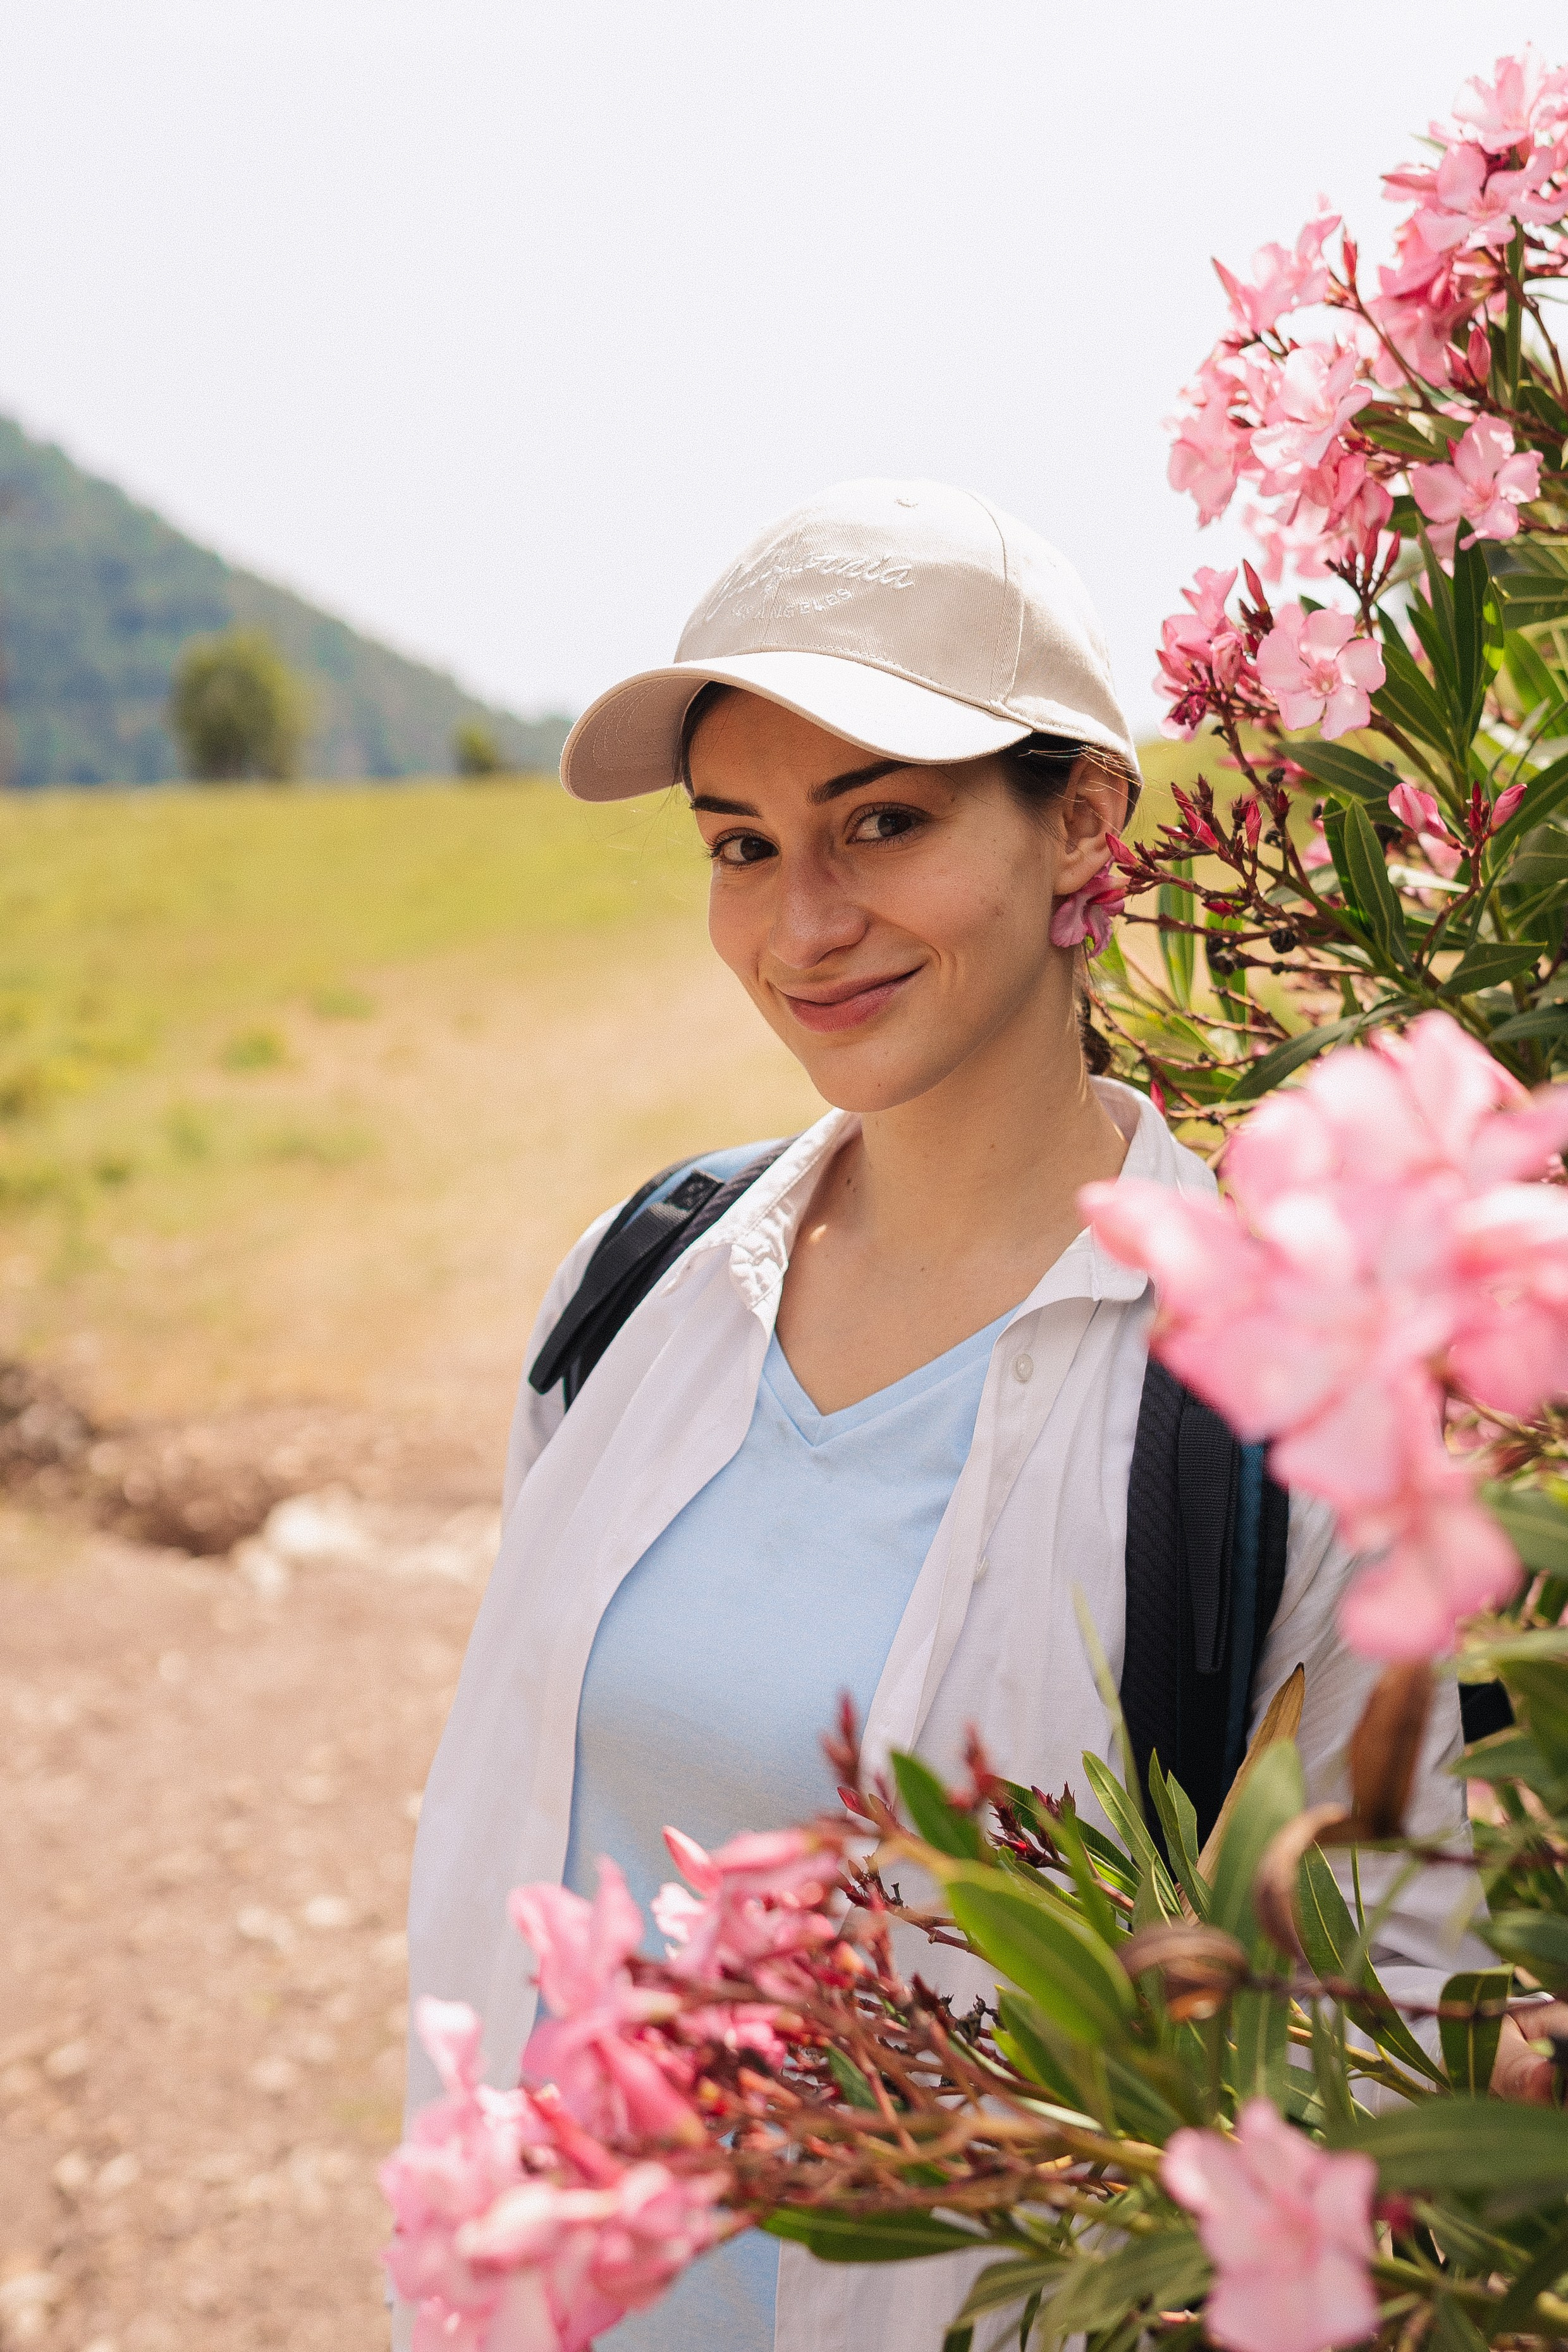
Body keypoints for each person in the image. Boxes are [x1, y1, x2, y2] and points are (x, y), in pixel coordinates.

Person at [398, 479, 1522, 2352]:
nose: (802, 923)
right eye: (741, 844)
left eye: (885, 823)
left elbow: (1418, 2029)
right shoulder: (640, 1277)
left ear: (1082, 815)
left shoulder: (1277, 1395)